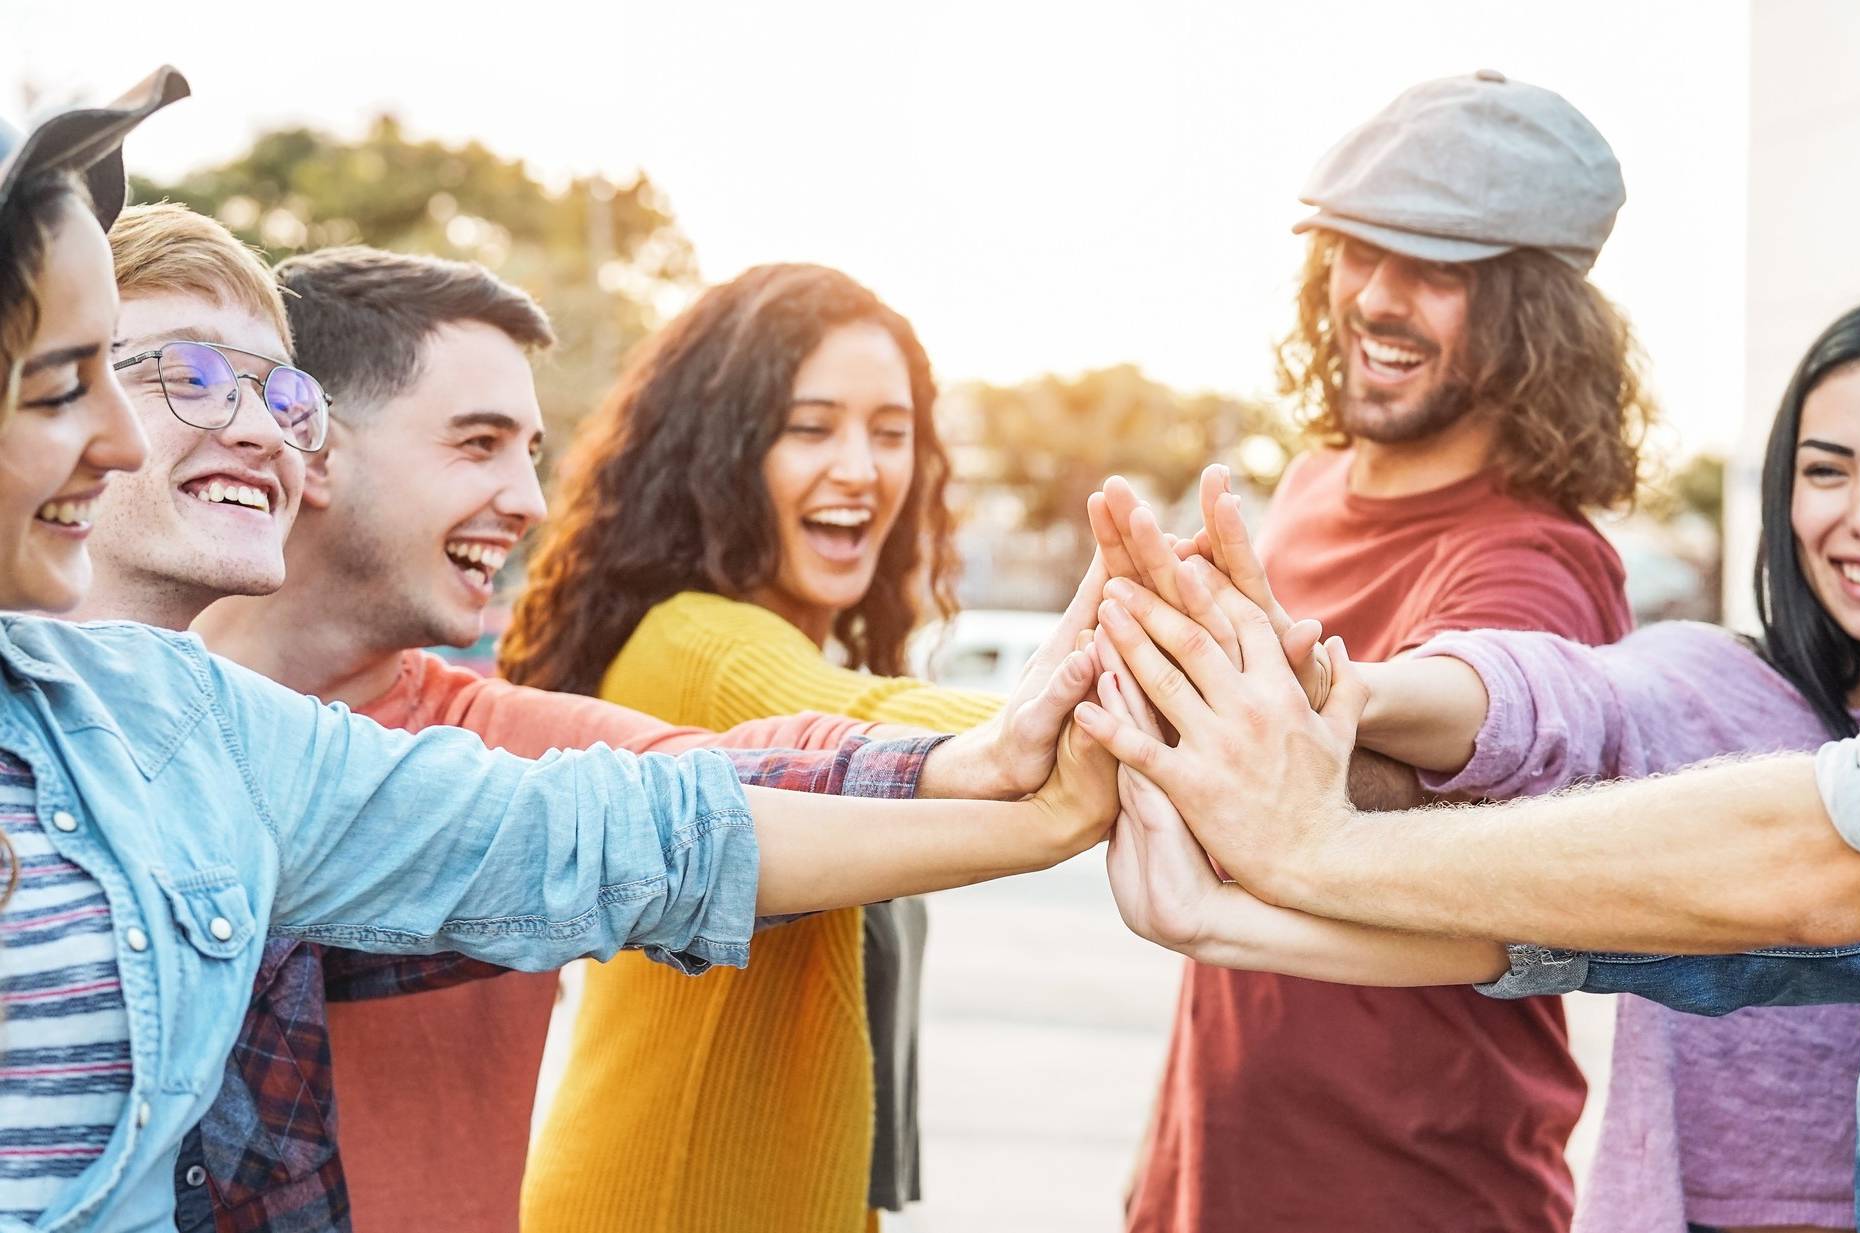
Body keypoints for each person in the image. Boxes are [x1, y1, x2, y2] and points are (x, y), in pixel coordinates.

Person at [0, 78, 1117, 1233]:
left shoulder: (216, 740)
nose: (527, 499)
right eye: (78, 380)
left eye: (279, 392)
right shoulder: (211, 732)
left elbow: (623, 825)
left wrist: (994, 778)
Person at [1097, 316, 1860, 1232]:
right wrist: (1349, 692)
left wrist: (1308, 855)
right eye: (1833, 469)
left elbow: (1779, 893)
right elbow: (1568, 723)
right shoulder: (1715, 682)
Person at [1117, 70, 1652, 1233]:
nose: (1373, 296)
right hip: (1212, 1174)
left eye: (1436, 268)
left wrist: (1196, 717)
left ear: (1535, 314)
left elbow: (1433, 798)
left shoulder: (1534, 562)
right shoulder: (1307, 486)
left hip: (1417, 1191)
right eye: (1356, 252)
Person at [506, 263, 1049, 1233]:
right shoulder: (697, 647)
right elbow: (868, 720)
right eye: (811, 427)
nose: (861, 467)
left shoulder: (785, 639)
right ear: (721, 452)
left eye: (892, 433)